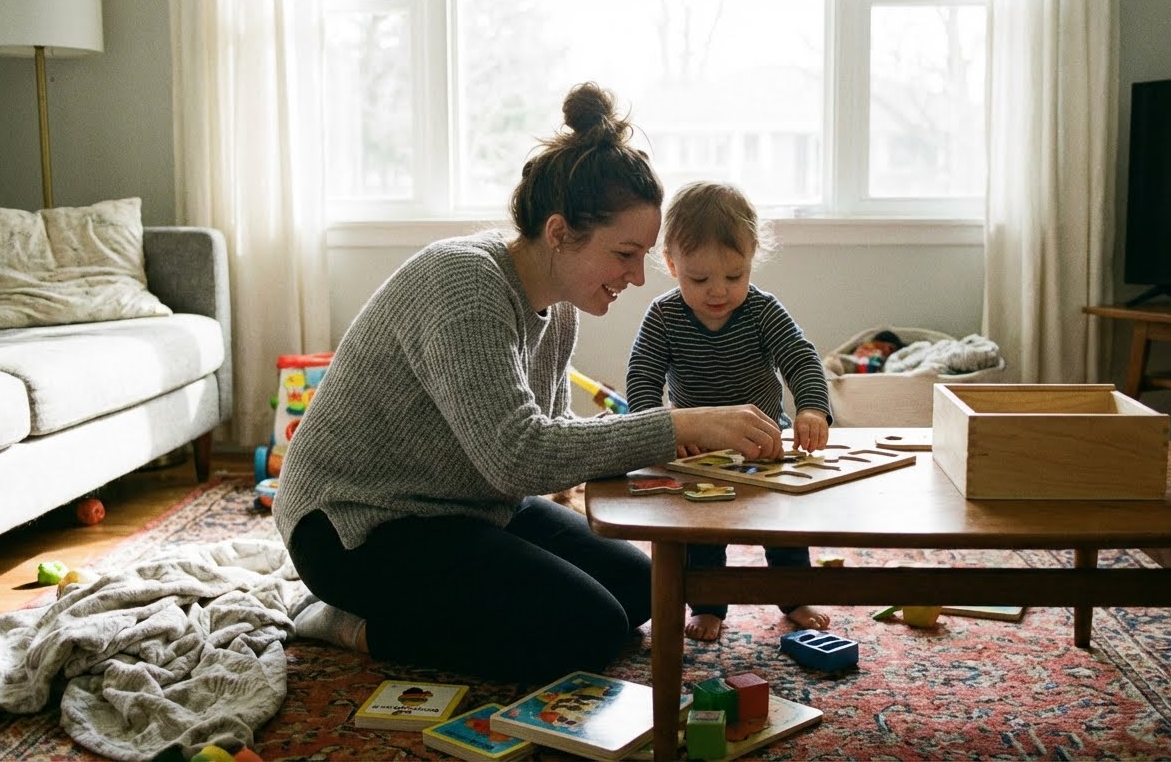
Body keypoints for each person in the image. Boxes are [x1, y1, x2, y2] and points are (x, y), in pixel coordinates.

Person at [272, 83, 783, 684]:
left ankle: (426, 604)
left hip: (472, 506)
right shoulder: (461, 283)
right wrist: (675, 425)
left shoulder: (563, 303)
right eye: (625, 253)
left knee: (647, 591)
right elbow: (517, 456)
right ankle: (346, 622)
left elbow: (550, 440)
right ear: (560, 233)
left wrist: (670, 446)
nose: (638, 278)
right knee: (583, 629)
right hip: (357, 526)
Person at [625, 180, 833, 642]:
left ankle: (795, 597)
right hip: (698, 450)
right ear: (671, 263)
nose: (718, 291)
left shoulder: (762, 312)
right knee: (703, 531)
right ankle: (707, 605)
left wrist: (813, 409)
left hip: (764, 444)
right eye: (699, 279)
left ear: (753, 256)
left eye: (734, 276)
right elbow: (642, 377)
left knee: (781, 528)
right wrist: (658, 431)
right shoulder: (663, 317)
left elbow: (800, 357)